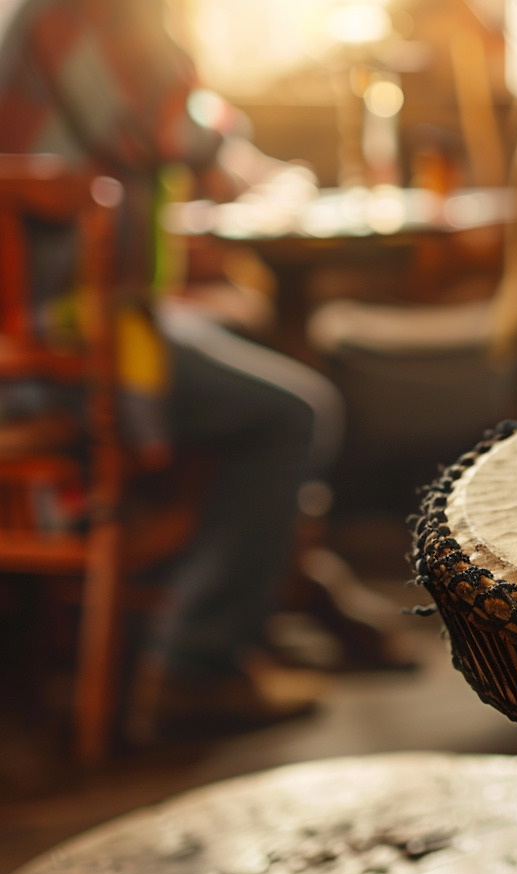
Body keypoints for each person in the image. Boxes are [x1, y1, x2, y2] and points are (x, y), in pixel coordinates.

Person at [0, 0, 348, 734]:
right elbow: (182, 130)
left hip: (50, 331)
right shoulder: (86, 21)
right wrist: (260, 169)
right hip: (56, 352)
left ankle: (225, 609)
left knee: (234, 333)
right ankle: (195, 661)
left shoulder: (51, 22)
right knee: (292, 411)